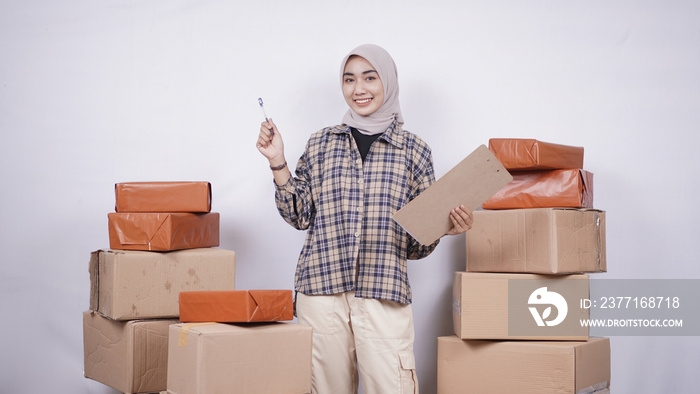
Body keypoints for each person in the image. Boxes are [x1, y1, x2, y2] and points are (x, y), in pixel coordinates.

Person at [256, 43, 473, 394]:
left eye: (370, 78)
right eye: (349, 79)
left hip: (383, 290)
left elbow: (416, 245)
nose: (359, 89)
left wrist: (445, 228)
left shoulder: (414, 150)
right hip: (321, 290)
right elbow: (300, 214)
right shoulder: (321, 144)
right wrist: (277, 162)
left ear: (387, 81)